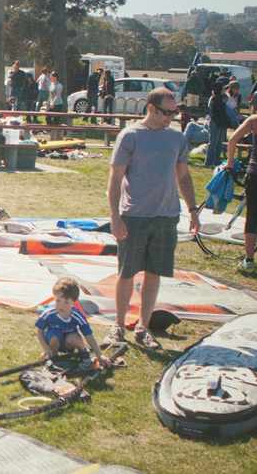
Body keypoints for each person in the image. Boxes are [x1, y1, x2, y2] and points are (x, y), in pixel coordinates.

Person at [104, 87, 200, 349]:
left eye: (175, 112)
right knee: (127, 272)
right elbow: (115, 181)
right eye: (166, 112)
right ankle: (118, 326)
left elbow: (184, 176)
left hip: (166, 216)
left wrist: (192, 210)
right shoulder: (130, 136)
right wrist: (115, 216)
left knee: (154, 273)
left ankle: (143, 327)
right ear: (150, 108)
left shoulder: (177, 138)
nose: (171, 117)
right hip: (134, 216)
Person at [35, 278, 107, 369]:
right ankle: (53, 357)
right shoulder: (49, 313)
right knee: (54, 334)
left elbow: (88, 335)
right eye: (58, 301)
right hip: (54, 341)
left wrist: (99, 354)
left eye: (66, 302)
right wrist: (46, 348)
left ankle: (85, 356)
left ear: (74, 302)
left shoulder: (76, 315)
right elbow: (39, 330)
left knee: (74, 338)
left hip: (68, 342)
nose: (61, 305)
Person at [223, 112, 257, 273]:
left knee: (252, 217)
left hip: (254, 174)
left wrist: (230, 162)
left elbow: (232, 140)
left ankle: (249, 259)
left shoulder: (253, 120)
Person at [204, 83, 230, 168]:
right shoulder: (214, 99)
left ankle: (216, 160)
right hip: (215, 123)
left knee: (219, 143)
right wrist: (219, 121)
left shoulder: (222, 99)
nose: (224, 90)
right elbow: (212, 113)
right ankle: (208, 161)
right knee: (213, 142)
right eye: (222, 88)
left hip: (221, 123)